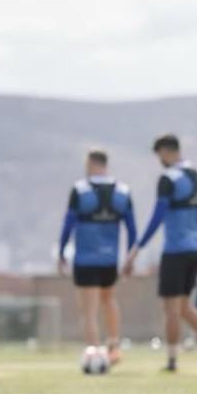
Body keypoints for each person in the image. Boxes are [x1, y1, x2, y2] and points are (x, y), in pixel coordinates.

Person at [125, 133, 197, 374]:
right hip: (196, 250)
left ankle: (172, 361)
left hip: (175, 251)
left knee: (171, 308)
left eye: (160, 155)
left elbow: (157, 217)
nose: (160, 160)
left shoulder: (168, 178)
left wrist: (136, 248)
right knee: (183, 307)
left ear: (166, 151)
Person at [56, 150, 136, 365]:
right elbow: (131, 227)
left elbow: (68, 223)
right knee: (109, 300)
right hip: (110, 260)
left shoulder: (80, 190)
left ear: (91, 164)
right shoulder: (122, 191)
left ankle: (93, 352)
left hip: (85, 259)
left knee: (89, 310)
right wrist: (130, 256)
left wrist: (62, 251)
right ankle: (113, 347)